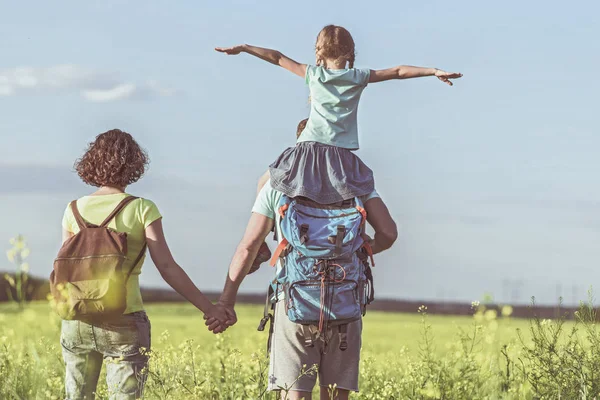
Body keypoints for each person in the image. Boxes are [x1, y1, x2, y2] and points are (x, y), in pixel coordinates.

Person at [59, 129, 232, 400]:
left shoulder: (73, 210)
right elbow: (167, 266)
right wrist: (209, 309)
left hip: (76, 317)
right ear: (133, 164)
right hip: (124, 317)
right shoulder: (142, 208)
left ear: (92, 162)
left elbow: (66, 269)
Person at [216, 24, 462, 205]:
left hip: (308, 149)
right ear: (350, 53)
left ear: (319, 52)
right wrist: (433, 70)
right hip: (340, 156)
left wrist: (246, 48)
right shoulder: (358, 77)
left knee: (265, 183)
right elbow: (398, 71)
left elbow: (277, 57)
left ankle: (259, 240)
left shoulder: (313, 74)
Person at [206, 176, 398, 399]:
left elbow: (248, 248)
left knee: (294, 393)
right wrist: (360, 251)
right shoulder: (355, 180)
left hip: (293, 303)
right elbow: (389, 234)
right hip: (344, 302)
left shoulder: (277, 182)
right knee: (336, 395)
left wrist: (225, 302)